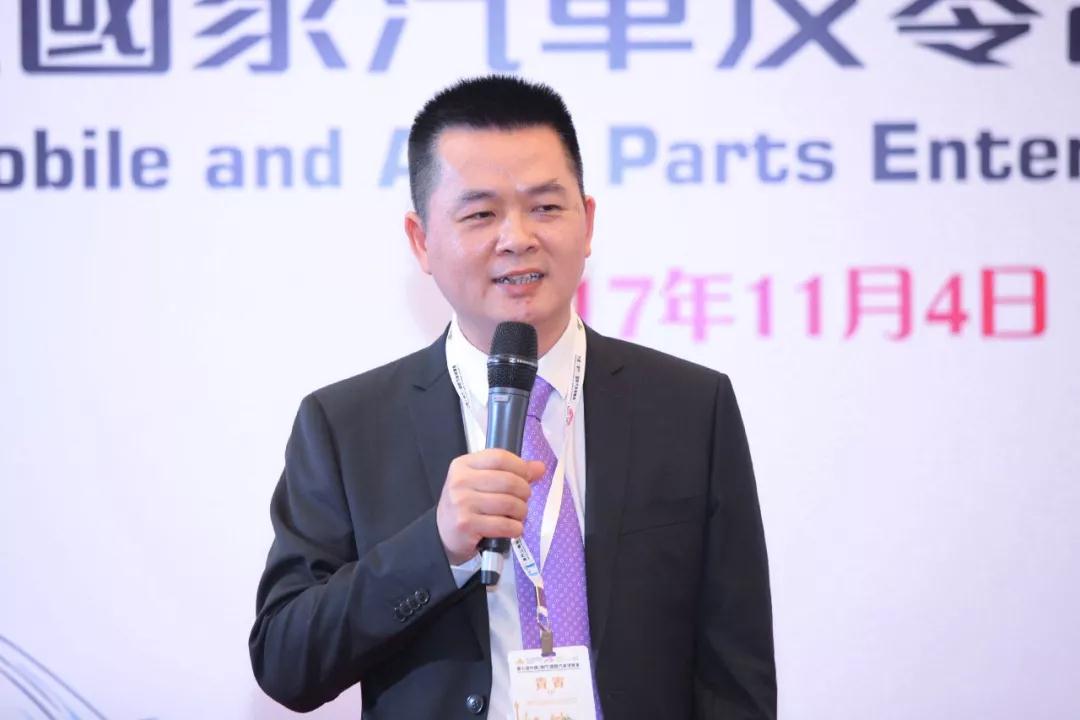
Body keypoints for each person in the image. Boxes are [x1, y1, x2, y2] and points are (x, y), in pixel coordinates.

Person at [249, 76, 776, 719]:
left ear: (588, 222)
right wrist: (435, 546)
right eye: (480, 214)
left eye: (546, 207)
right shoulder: (345, 425)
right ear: (421, 240)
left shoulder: (690, 407)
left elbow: (736, 672)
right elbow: (285, 662)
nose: (517, 237)